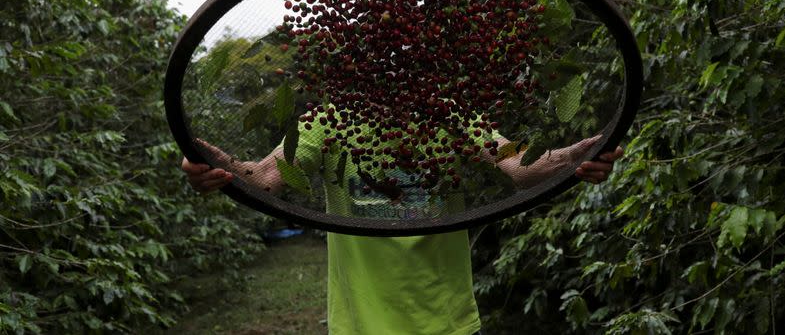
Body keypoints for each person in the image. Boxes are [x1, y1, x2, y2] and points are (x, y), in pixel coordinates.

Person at [182, 118, 622, 335]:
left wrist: (572, 157)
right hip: (361, 323)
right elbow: (262, 180)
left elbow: (522, 168)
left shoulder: (451, 116)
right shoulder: (325, 122)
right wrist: (215, 166)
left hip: (444, 318)